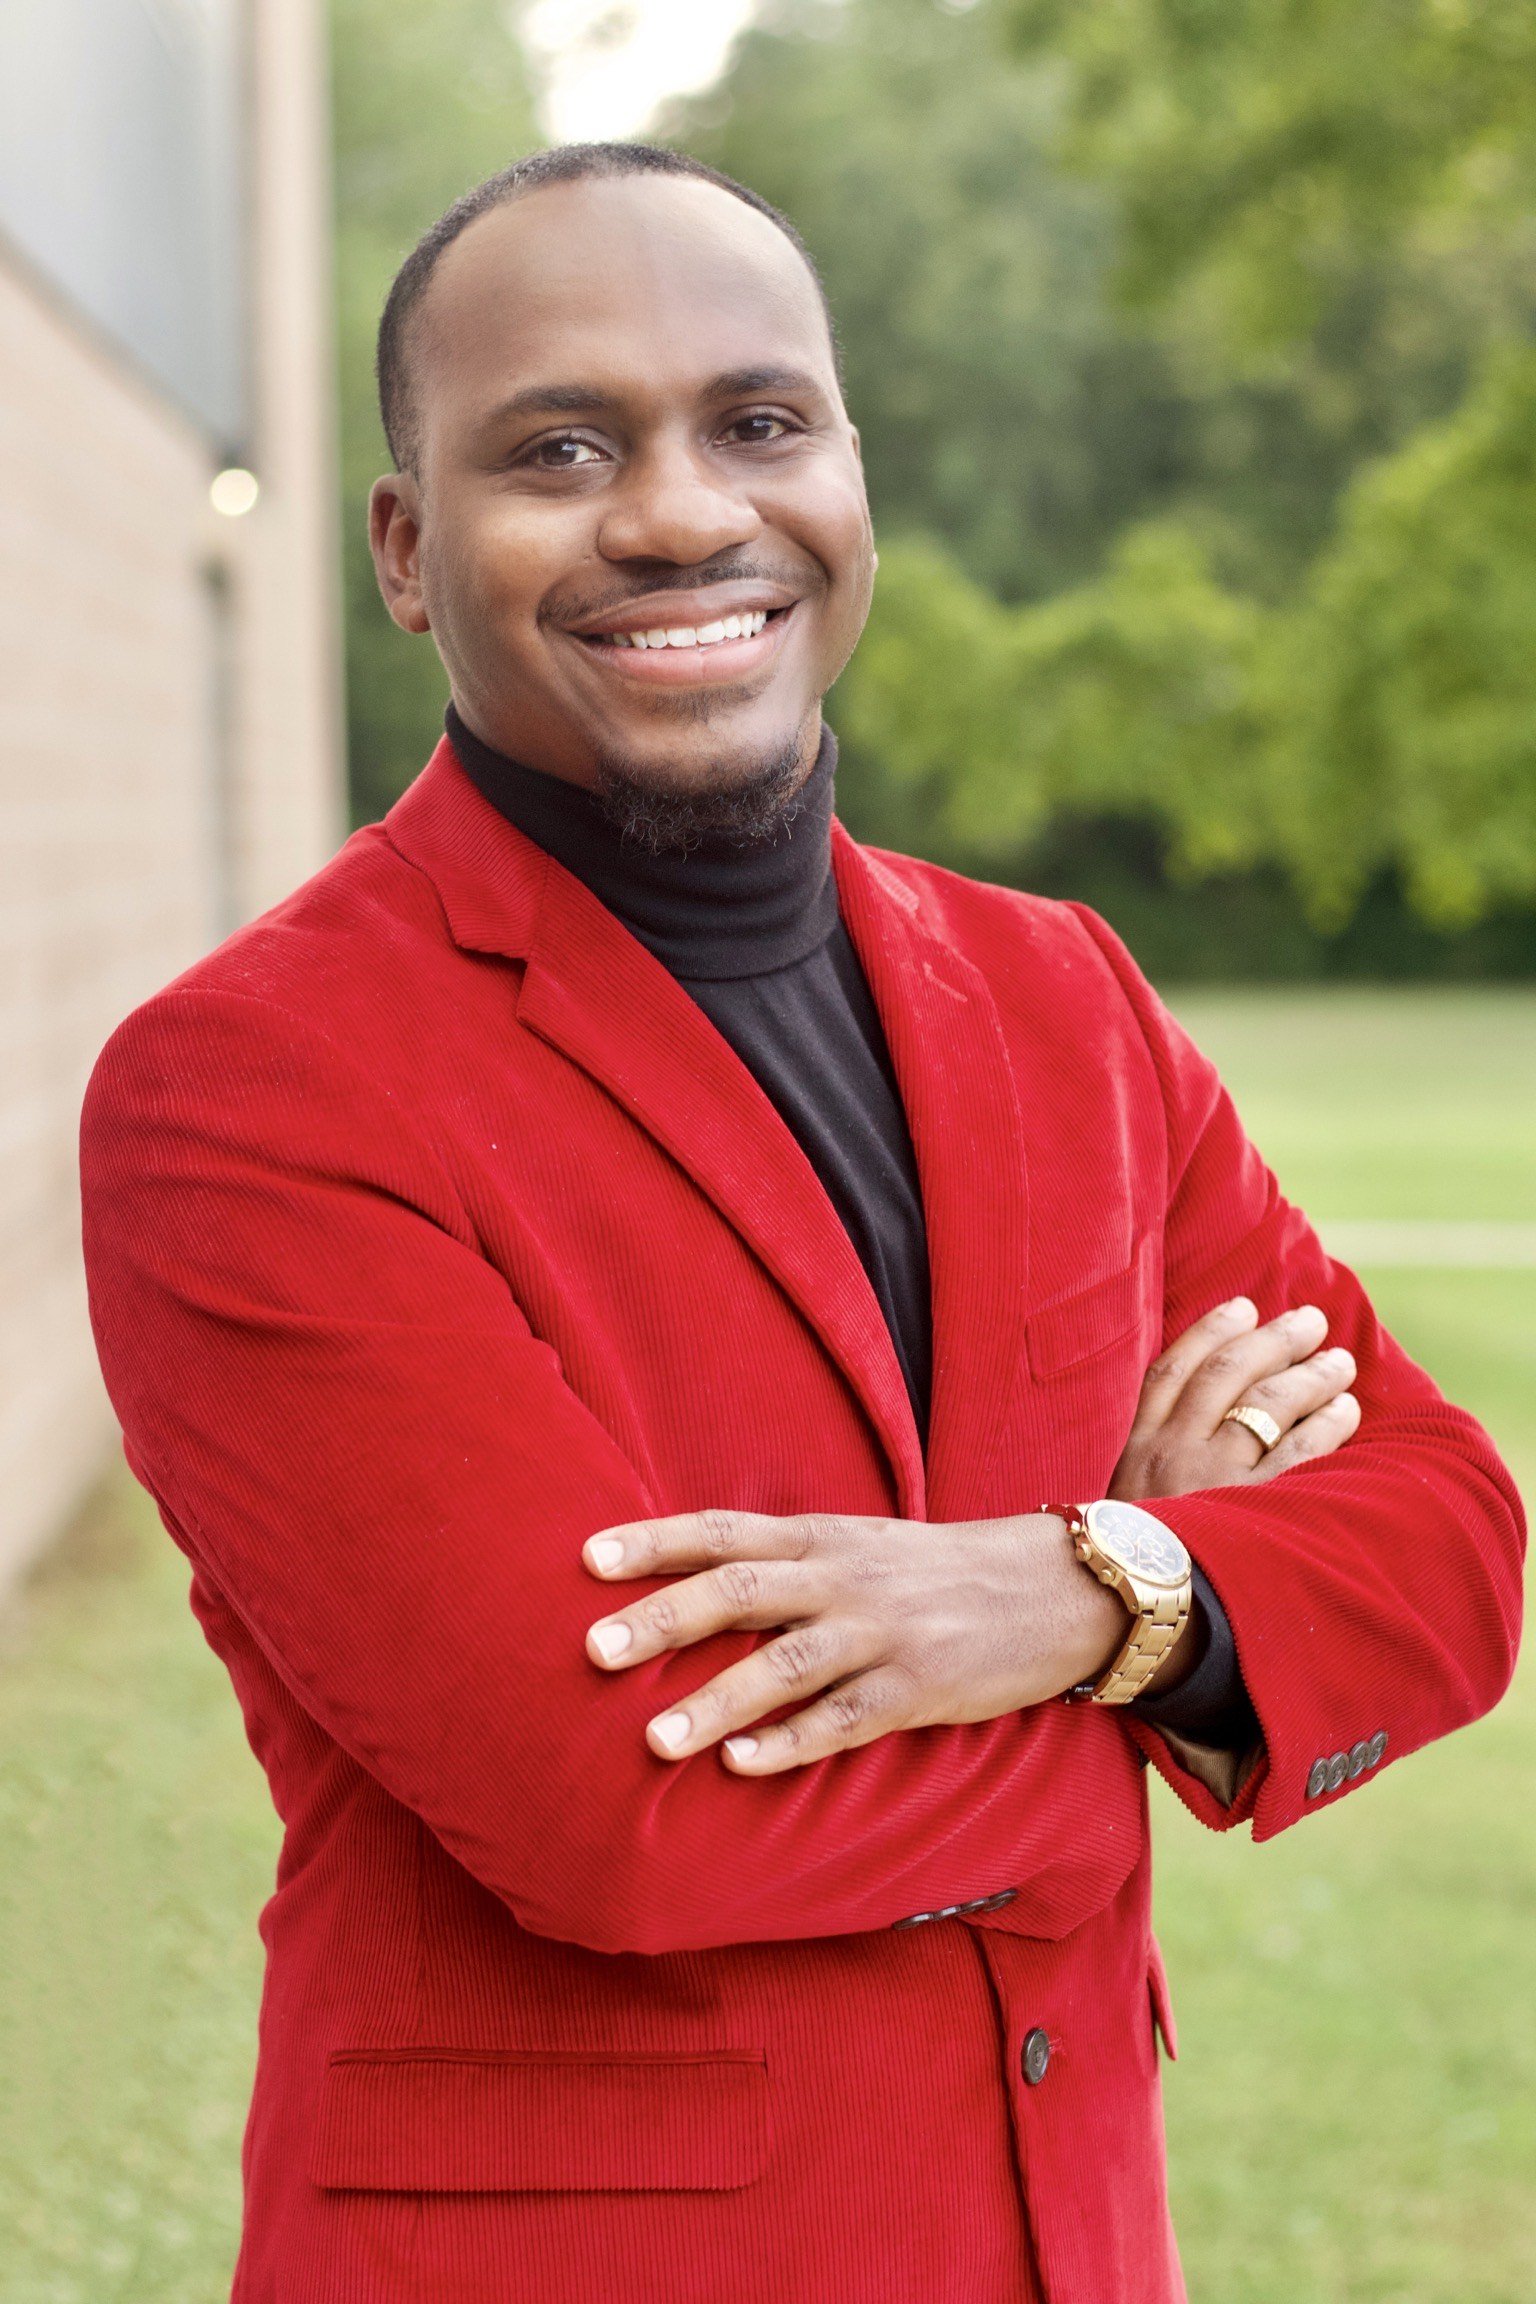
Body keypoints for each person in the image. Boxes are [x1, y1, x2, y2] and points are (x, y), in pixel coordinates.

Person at [79, 144, 1524, 2304]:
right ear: (403, 550)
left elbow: (1453, 1542)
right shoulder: (255, 1089)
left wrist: (1080, 1590)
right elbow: (632, 1807)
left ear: (851, 475)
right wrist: (1179, 1623)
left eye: (759, 422)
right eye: (560, 450)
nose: (682, 514)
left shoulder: (1065, 998)